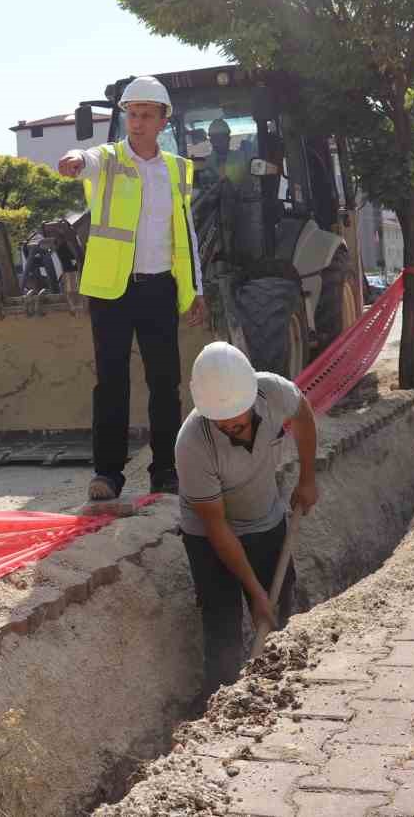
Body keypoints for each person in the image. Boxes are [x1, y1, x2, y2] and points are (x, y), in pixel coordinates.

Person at [57, 75, 205, 501]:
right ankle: (107, 474)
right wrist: (71, 158)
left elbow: (186, 231)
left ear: (163, 121)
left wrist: (194, 288)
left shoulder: (177, 170)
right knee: (111, 381)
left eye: (145, 115)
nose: (136, 122)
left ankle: (166, 471)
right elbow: (85, 158)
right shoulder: (110, 159)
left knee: (165, 382)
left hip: (159, 289)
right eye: (131, 114)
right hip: (110, 291)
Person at [177, 342, 318, 694]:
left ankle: (282, 689)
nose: (228, 430)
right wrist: (254, 592)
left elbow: (303, 414)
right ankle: (220, 702)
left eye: (236, 425)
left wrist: (308, 478)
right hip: (210, 537)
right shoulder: (193, 443)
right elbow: (218, 527)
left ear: (252, 398)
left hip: (265, 519)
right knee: (222, 624)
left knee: (280, 611)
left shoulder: (273, 392)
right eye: (220, 425)